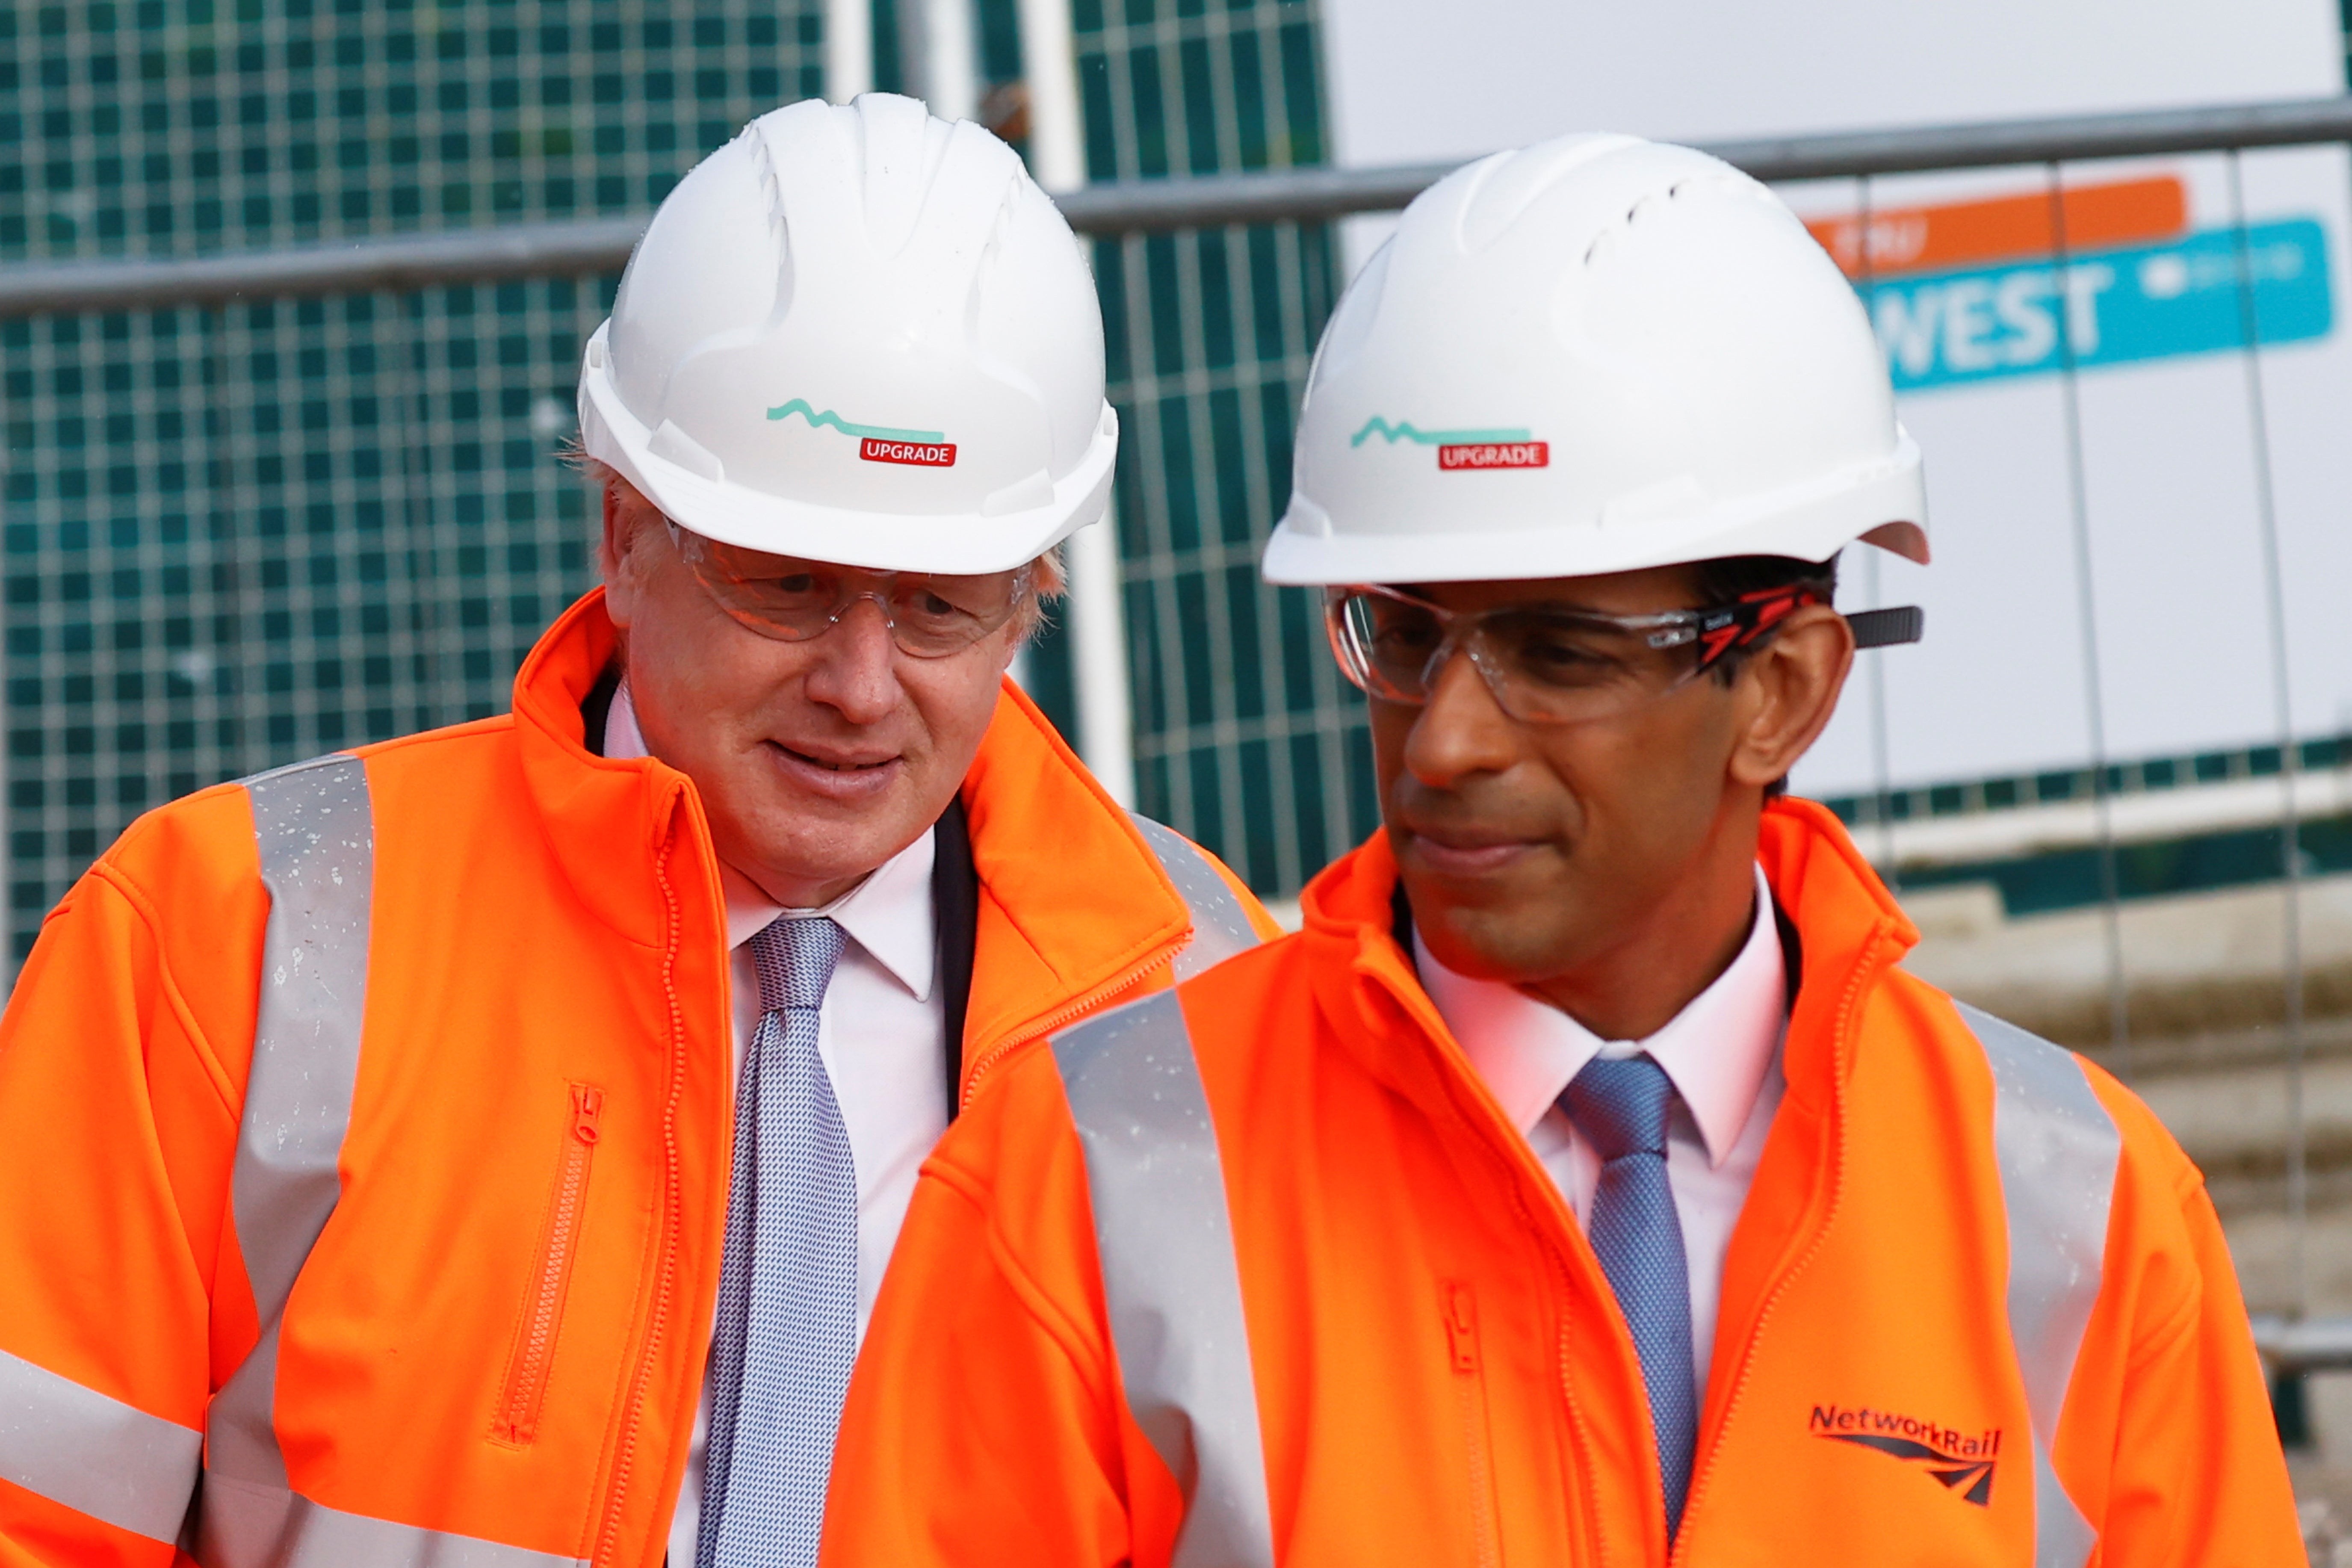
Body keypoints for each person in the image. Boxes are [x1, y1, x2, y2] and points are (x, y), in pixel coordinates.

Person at [821, 132, 2302, 1565]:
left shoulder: (2079, 1216)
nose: (1446, 737)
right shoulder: (1072, 1177)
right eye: (1401, 635)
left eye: (1557, 651)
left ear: (1780, 691)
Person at [0, 94, 1274, 1568]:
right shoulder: (234, 935)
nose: (860, 687)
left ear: (1029, 595)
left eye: (938, 601)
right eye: (784, 585)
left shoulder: (1206, 1002)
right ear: (620, 537)